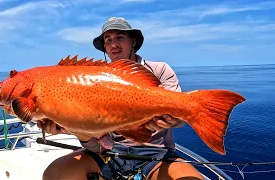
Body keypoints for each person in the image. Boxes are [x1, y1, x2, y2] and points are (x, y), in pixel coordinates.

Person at [39, 17, 204, 180]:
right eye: (108, 40)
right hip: (111, 154)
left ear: (133, 41)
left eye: (120, 37)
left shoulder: (160, 70)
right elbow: (98, 146)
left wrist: (172, 120)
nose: (114, 44)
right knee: (54, 174)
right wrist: (78, 131)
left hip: (157, 155)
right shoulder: (92, 81)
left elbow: (181, 116)